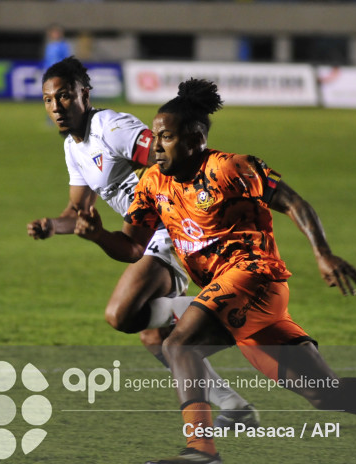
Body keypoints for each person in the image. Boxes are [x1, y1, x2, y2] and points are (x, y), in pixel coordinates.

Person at [74, 78, 356, 464]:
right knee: (327, 394)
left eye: (165, 137)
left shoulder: (230, 168)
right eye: (155, 136)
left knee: (179, 343)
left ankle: (201, 451)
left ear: (196, 138)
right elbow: (131, 247)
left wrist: (322, 254)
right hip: (230, 297)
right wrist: (97, 236)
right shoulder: (153, 183)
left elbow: (293, 202)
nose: (156, 145)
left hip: (255, 279)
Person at [27, 57, 259, 428]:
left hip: (174, 227)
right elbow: (77, 209)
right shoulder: (75, 146)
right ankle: (236, 406)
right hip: (155, 233)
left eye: (66, 96)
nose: (57, 106)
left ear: (85, 94)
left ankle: (234, 310)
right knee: (153, 335)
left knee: (121, 314)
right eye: (48, 99)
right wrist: (52, 226)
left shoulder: (111, 127)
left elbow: (167, 153)